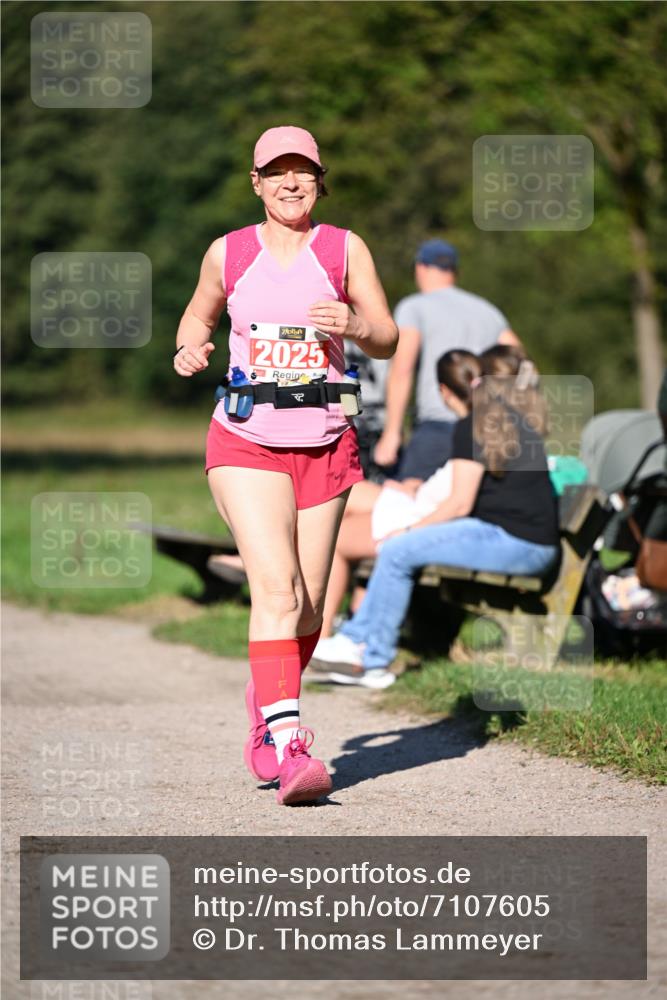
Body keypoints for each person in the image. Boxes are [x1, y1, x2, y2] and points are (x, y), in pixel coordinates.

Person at [173, 125, 397, 802]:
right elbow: (197, 316)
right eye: (277, 173)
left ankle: (265, 702)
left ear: (319, 180)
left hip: (326, 438)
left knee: (308, 608)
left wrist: (354, 326)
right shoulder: (229, 252)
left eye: (303, 172)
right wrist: (189, 349)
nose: (290, 183)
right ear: (257, 182)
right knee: (274, 591)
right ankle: (287, 742)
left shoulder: (343, 248)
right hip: (245, 438)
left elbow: (385, 336)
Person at [312, 347, 559, 688]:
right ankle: (357, 643)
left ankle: (370, 657)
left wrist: (409, 530)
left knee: (398, 549)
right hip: (521, 539)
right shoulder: (504, 420)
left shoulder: (476, 425)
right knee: (399, 547)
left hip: (515, 541)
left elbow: (459, 503)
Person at [374, 238, 521, 482]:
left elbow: (402, 369)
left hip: (437, 427)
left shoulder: (414, 307)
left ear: (420, 268)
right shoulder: (488, 311)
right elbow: (521, 364)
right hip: (485, 428)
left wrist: (392, 433)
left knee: (410, 504)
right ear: (454, 271)